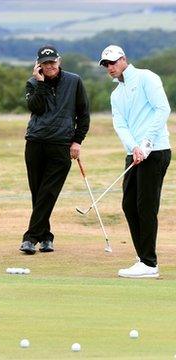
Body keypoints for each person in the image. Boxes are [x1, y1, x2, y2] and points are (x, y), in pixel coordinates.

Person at [99, 45, 171, 278]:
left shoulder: (146, 78)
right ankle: (143, 258)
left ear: (124, 59)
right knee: (129, 204)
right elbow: (120, 125)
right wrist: (134, 147)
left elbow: (163, 109)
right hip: (135, 153)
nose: (109, 67)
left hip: (156, 150)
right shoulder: (116, 94)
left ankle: (149, 263)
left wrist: (146, 142)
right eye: (106, 64)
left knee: (146, 206)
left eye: (112, 62)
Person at [20, 45, 90, 255]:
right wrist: (40, 84)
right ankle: (46, 237)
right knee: (38, 192)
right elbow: (36, 108)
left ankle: (30, 238)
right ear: (38, 65)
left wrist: (77, 141)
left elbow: (83, 114)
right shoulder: (32, 83)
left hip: (61, 144)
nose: (49, 66)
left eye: (52, 62)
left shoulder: (74, 81)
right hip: (35, 143)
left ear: (59, 61)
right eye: (45, 63)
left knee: (49, 192)